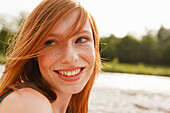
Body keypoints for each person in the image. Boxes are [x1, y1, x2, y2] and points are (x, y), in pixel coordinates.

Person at [0, 0, 101, 113]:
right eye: (51, 43)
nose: (70, 58)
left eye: (81, 39)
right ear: (33, 51)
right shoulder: (28, 103)